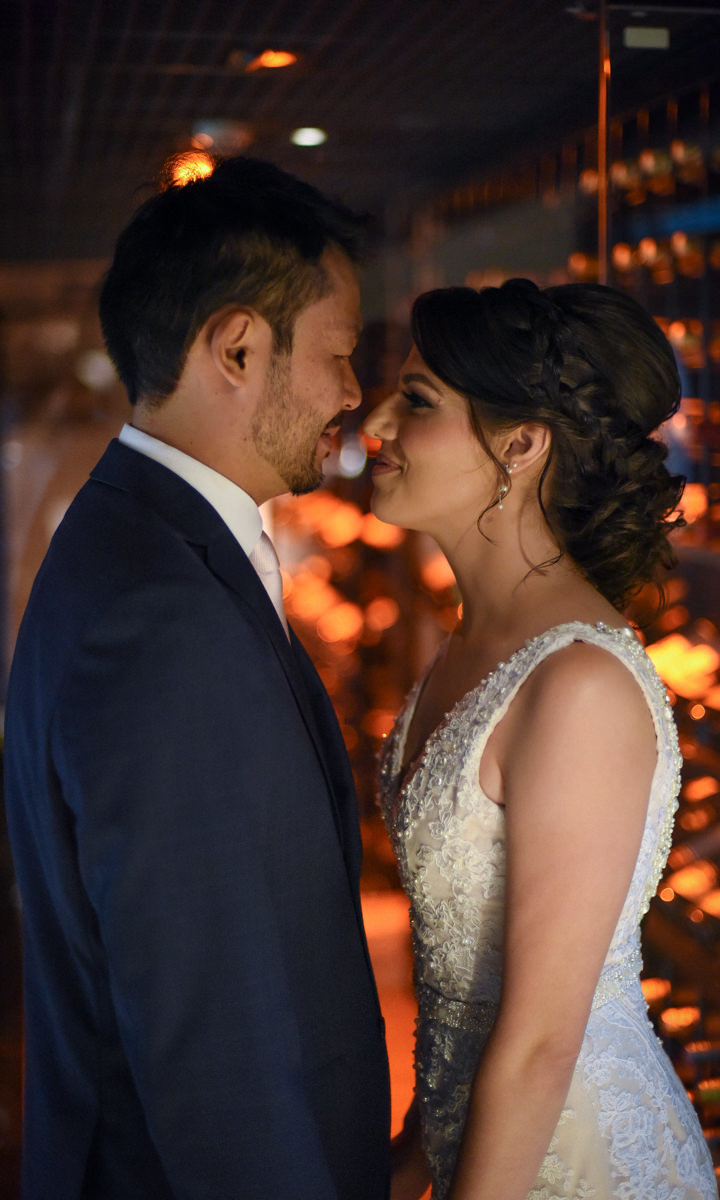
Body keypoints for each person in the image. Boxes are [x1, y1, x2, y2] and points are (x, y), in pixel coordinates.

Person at [4, 157, 391, 1200]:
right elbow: (212, 1030)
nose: (355, 395)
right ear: (236, 346)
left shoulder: (141, 542)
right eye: (339, 355)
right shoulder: (160, 611)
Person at [364, 278, 719, 1200]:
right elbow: (458, 985)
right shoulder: (471, 645)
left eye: (416, 401)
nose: (374, 426)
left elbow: (539, 1040)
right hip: (473, 1142)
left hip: (576, 1162)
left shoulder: (579, 684)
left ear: (521, 445)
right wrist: (412, 1158)